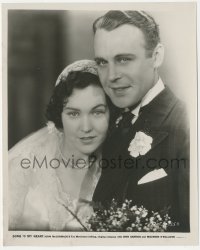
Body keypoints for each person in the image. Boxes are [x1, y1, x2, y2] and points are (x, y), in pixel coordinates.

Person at [92, 11, 189, 232]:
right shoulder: (109, 121)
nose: (111, 76)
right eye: (101, 62)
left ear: (156, 56)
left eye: (124, 59)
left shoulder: (187, 127)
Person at [9, 60, 110, 231]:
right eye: (73, 114)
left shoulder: (122, 163)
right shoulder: (23, 165)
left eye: (97, 112)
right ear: (59, 117)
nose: (86, 127)